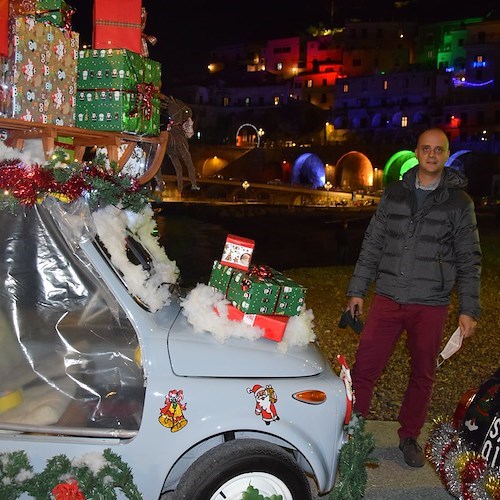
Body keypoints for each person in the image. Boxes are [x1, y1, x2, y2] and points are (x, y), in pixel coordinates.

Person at [344, 127, 481, 467]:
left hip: (431, 302)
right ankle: (353, 431)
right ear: (416, 153)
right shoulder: (394, 193)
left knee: (423, 373)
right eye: (426, 148)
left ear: (446, 155)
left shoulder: (459, 203)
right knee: (364, 368)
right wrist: (357, 290)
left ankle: (409, 436)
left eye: (439, 149)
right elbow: (373, 243)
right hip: (388, 296)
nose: (432, 154)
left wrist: (469, 309)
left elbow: (469, 257)